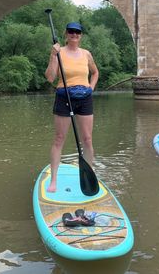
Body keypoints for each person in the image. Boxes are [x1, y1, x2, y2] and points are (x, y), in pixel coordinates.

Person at [45, 22, 99, 193]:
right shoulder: (58, 51)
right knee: (59, 138)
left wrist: (91, 87)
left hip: (84, 98)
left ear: (81, 35)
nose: (74, 34)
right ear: (66, 34)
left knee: (88, 139)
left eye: (77, 32)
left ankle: (90, 172)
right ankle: (53, 180)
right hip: (64, 97)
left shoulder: (86, 54)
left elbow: (95, 72)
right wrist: (53, 56)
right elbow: (50, 78)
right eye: (71, 32)